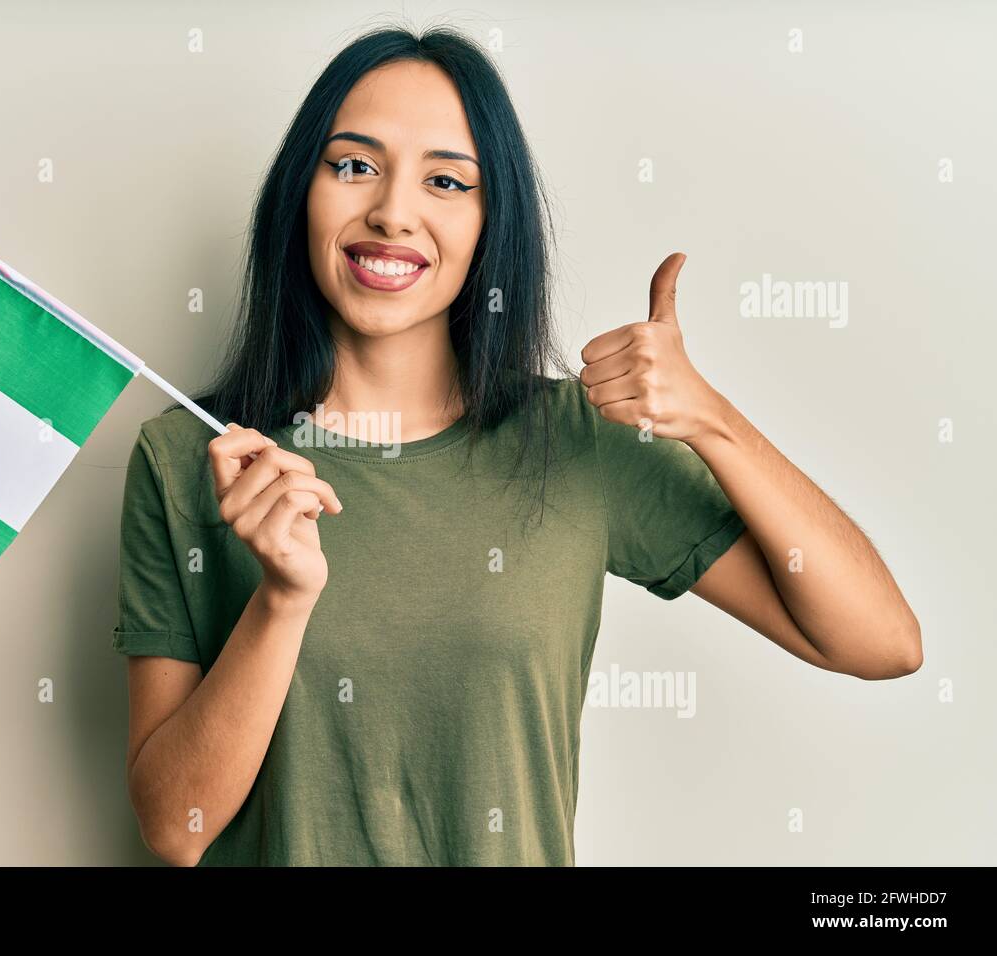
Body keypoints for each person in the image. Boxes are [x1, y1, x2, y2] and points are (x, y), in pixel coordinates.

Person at [111, 25, 922, 867]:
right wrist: (281, 601)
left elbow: (881, 643)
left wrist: (713, 419)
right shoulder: (194, 458)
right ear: (299, 194)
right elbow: (178, 831)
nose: (392, 210)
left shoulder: (575, 443)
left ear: (492, 221)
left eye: (446, 181)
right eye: (353, 165)